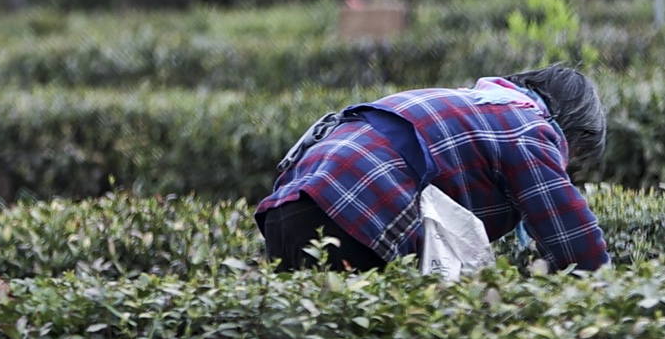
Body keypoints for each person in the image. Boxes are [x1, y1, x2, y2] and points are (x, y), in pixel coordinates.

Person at [255, 66, 609, 273]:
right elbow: (576, 246)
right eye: (572, 158)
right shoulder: (526, 125)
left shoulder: (477, 103)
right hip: (351, 216)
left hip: (286, 210)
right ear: (571, 131)